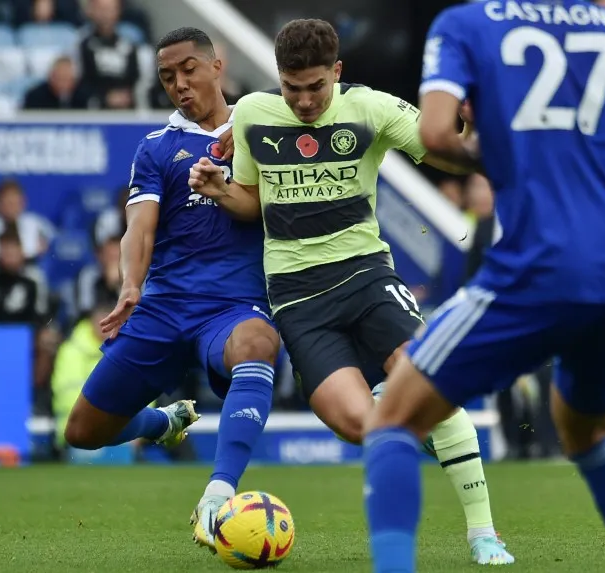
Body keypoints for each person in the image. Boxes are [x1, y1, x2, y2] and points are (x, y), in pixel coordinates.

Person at [361, 3, 605, 573]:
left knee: (392, 418)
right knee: (588, 435)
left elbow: (433, 133)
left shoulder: (467, 24)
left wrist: (490, 153)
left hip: (534, 266)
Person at [189, 19, 512, 565]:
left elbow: (448, 151)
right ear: (278, 78)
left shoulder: (371, 108)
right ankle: (400, 410)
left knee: (430, 382)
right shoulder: (252, 115)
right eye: (292, 88)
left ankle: (483, 534)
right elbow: (251, 200)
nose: (304, 100)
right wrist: (222, 191)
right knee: (360, 425)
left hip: (367, 279)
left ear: (337, 72)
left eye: (316, 87)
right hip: (298, 300)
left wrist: (478, 134)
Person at [62, 27, 280, 553]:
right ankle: (162, 422)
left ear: (216, 66)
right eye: (166, 76)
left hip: (232, 307)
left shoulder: (263, 127)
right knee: (82, 433)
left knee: (259, 344)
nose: (178, 83)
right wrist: (130, 285)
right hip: (163, 307)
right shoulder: (157, 148)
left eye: (188, 69)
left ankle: (218, 495)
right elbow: (139, 228)